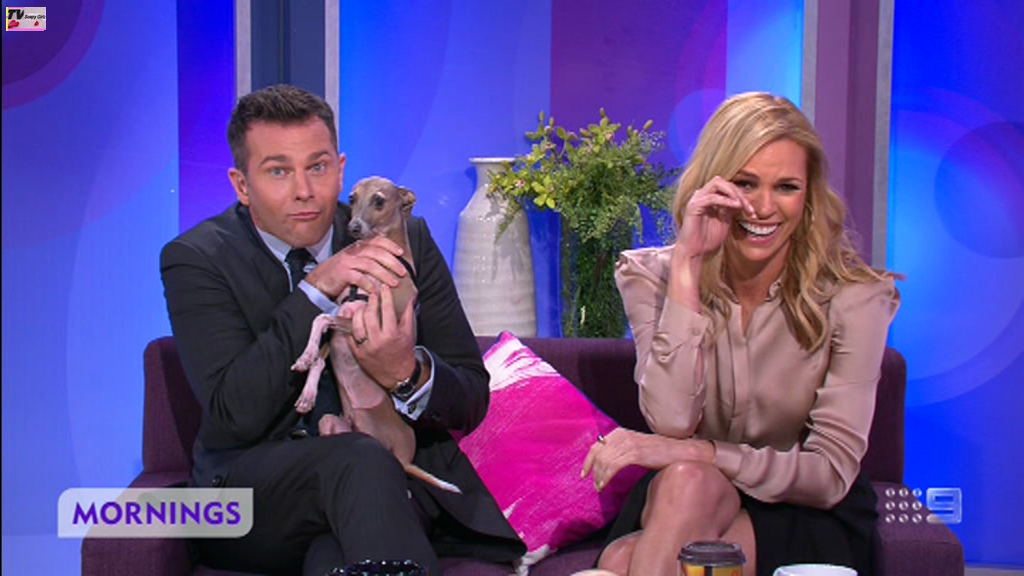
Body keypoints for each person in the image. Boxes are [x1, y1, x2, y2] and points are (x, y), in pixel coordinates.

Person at [160, 84, 524, 576]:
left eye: (318, 166)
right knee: (356, 459)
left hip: (386, 488)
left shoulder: (405, 238)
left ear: (340, 168)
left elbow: (471, 396)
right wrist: (316, 290)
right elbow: (234, 414)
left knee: (336, 555)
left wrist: (405, 372)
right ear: (242, 185)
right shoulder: (198, 259)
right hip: (252, 498)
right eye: (278, 171)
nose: (304, 190)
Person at [581, 92, 900, 576]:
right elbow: (672, 420)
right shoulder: (653, 277)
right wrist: (688, 265)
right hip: (686, 490)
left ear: (809, 196)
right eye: (745, 183)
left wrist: (696, 451)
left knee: (628, 560)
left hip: (805, 507)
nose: (763, 207)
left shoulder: (856, 298)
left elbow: (830, 474)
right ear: (712, 184)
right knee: (688, 482)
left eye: (786, 187)